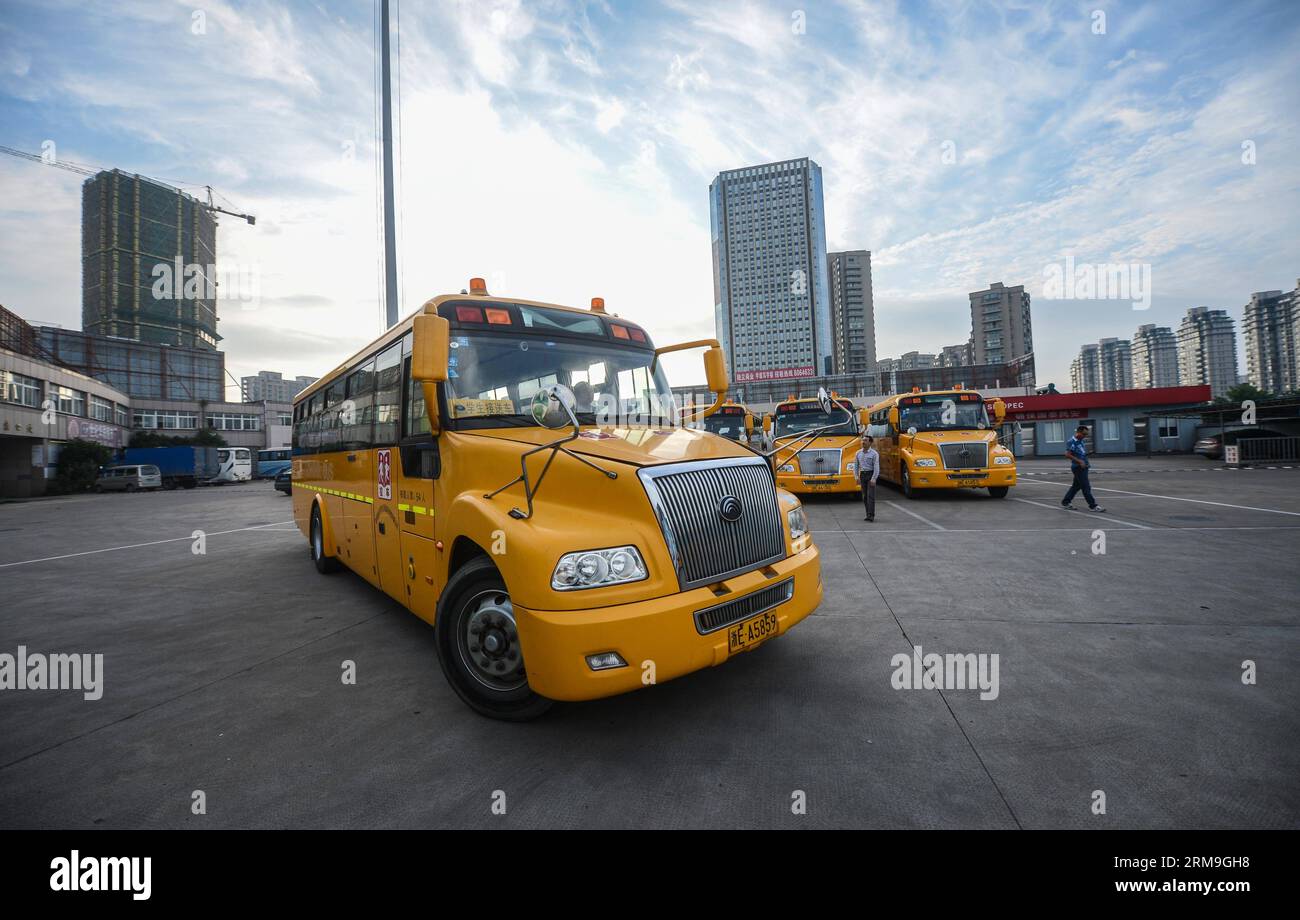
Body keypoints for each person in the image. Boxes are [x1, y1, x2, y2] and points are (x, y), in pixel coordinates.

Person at [1062, 424, 1106, 512]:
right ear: (1078, 432)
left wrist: (1086, 455)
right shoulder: (1072, 441)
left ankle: (1066, 502)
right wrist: (1080, 461)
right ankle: (1093, 506)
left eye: (1086, 434)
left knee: (1076, 486)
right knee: (1086, 487)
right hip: (1078, 467)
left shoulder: (1080, 441)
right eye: (1084, 434)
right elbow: (1067, 454)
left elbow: (1078, 453)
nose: (1085, 436)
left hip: (1083, 467)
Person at [855, 434, 880, 521]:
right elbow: (856, 466)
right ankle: (867, 514)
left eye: (865, 440)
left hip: (871, 474)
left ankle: (871, 515)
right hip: (863, 475)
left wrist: (874, 479)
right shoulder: (858, 453)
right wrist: (856, 477)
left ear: (870, 442)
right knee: (865, 496)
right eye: (863, 440)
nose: (863, 442)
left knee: (871, 496)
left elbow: (876, 467)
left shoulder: (874, 454)